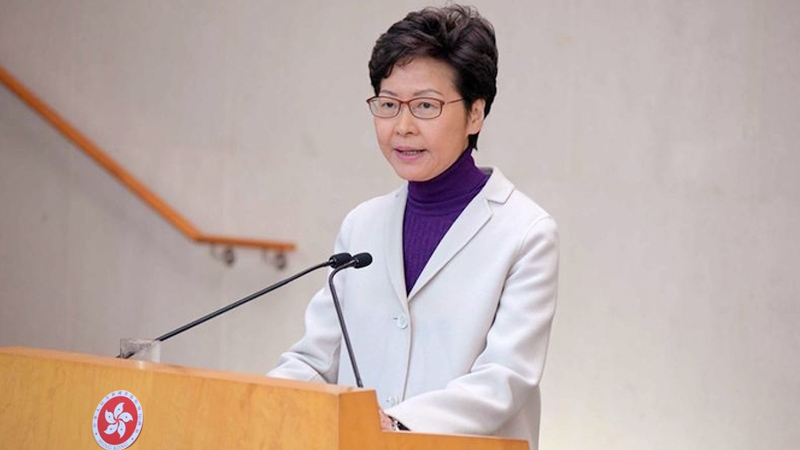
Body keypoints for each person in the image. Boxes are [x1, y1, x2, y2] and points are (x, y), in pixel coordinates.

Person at [268, 5, 558, 449]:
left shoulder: (525, 232)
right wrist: (259, 399)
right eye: (388, 104)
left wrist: (396, 424)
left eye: (425, 105)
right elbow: (317, 360)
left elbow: (505, 378)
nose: (402, 126)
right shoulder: (361, 225)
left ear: (475, 114)